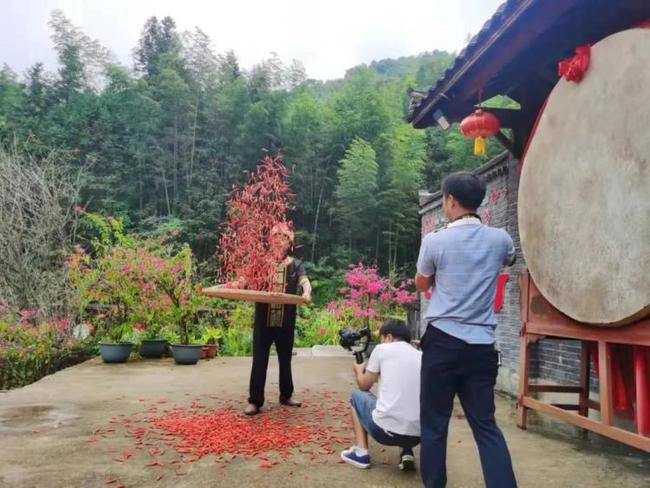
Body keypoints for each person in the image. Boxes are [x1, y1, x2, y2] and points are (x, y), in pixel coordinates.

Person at [415, 171, 517, 488]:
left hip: (442, 343)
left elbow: (422, 283)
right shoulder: (500, 239)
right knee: (486, 426)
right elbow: (509, 260)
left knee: (434, 425)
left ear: (451, 201)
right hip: (481, 347)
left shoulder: (434, 241)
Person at [242, 222, 312, 416]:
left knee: (285, 359)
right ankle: (255, 400)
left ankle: (286, 395)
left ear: (289, 242)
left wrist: (306, 292)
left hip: (285, 322)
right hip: (263, 322)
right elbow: (245, 280)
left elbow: (305, 282)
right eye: (275, 238)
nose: (278, 242)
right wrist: (236, 284)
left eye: (283, 238)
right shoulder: (261, 263)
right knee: (259, 360)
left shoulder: (296, 265)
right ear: (270, 241)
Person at [341, 319, 422, 471]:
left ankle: (361, 453)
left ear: (389, 337)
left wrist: (359, 371)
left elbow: (364, 385)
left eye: (382, 338)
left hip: (384, 432)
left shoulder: (382, 350)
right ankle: (406, 452)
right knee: (405, 400)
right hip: (417, 436)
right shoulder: (420, 355)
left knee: (356, 395)